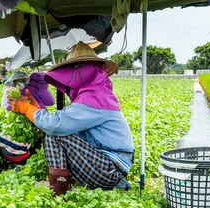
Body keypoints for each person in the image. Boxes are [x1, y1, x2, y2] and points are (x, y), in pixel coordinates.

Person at [8, 41, 135, 195]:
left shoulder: (94, 97)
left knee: (55, 134)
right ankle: (64, 184)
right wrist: (33, 105)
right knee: (58, 131)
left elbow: (56, 125)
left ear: (86, 69)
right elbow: (63, 121)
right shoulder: (97, 92)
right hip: (108, 165)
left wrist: (26, 108)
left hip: (111, 169)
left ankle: (60, 191)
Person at [0, 72, 55, 167]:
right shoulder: (35, 110)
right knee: (42, 137)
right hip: (19, 156)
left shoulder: (16, 102)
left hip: (1, 148)